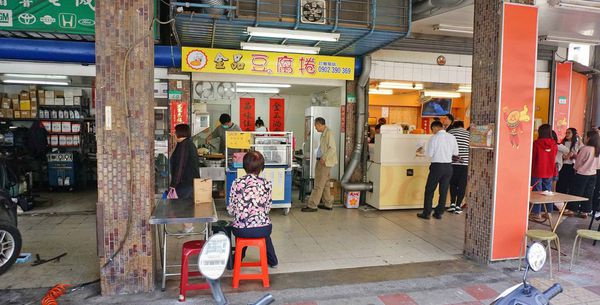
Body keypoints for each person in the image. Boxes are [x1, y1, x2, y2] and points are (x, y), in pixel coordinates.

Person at [228, 151, 278, 268]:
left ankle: (238, 258)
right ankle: (273, 261)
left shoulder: (237, 183)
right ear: (261, 167)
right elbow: (267, 208)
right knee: (263, 228)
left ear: (244, 166)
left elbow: (231, 209)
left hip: (241, 230)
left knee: (242, 226)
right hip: (263, 229)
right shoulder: (267, 184)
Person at [417, 120, 458, 220]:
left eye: (432, 130)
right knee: (443, 191)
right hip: (448, 167)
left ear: (435, 128)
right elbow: (456, 152)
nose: (432, 132)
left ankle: (426, 213)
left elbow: (430, 154)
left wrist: (422, 152)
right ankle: (439, 213)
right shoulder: (452, 137)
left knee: (429, 190)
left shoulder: (434, 138)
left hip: (437, 167)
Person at [302, 117, 338, 212]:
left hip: (324, 162)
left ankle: (312, 205)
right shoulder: (324, 133)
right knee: (325, 184)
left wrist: (324, 157)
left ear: (319, 124)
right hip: (323, 161)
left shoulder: (328, 133)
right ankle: (328, 204)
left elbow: (332, 148)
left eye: (315, 125)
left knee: (318, 184)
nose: (315, 127)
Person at [170, 124, 200, 233]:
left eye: (175, 131)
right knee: (185, 206)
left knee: (182, 206)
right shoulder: (186, 144)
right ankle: (187, 226)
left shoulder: (184, 145)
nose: (173, 134)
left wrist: (174, 184)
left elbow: (180, 165)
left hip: (185, 182)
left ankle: (188, 227)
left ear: (180, 133)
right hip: (188, 181)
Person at [567, 131, 600, 218]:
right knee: (589, 192)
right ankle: (585, 211)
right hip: (593, 174)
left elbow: (578, 162)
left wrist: (575, 169)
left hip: (582, 173)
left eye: (586, 136)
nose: (585, 138)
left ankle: (572, 210)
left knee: (577, 191)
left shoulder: (585, 149)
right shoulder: (597, 149)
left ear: (589, 138)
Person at [529, 124, 558, 222]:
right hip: (549, 170)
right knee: (548, 192)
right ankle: (548, 212)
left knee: (537, 192)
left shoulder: (536, 144)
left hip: (537, 170)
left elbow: (533, 158)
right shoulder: (554, 144)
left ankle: (536, 213)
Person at [447, 121, 470, 214]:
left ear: (454, 126)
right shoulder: (468, 134)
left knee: (452, 184)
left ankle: (452, 204)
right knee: (462, 185)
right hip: (464, 164)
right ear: (462, 126)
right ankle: (458, 206)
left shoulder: (450, 133)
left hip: (452, 163)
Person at [556, 128, 581, 195]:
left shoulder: (576, 144)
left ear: (573, 134)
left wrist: (570, 155)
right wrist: (566, 156)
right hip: (562, 165)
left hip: (571, 166)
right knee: (561, 183)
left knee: (568, 184)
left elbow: (575, 155)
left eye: (569, 133)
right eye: (566, 133)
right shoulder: (562, 142)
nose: (567, 134)